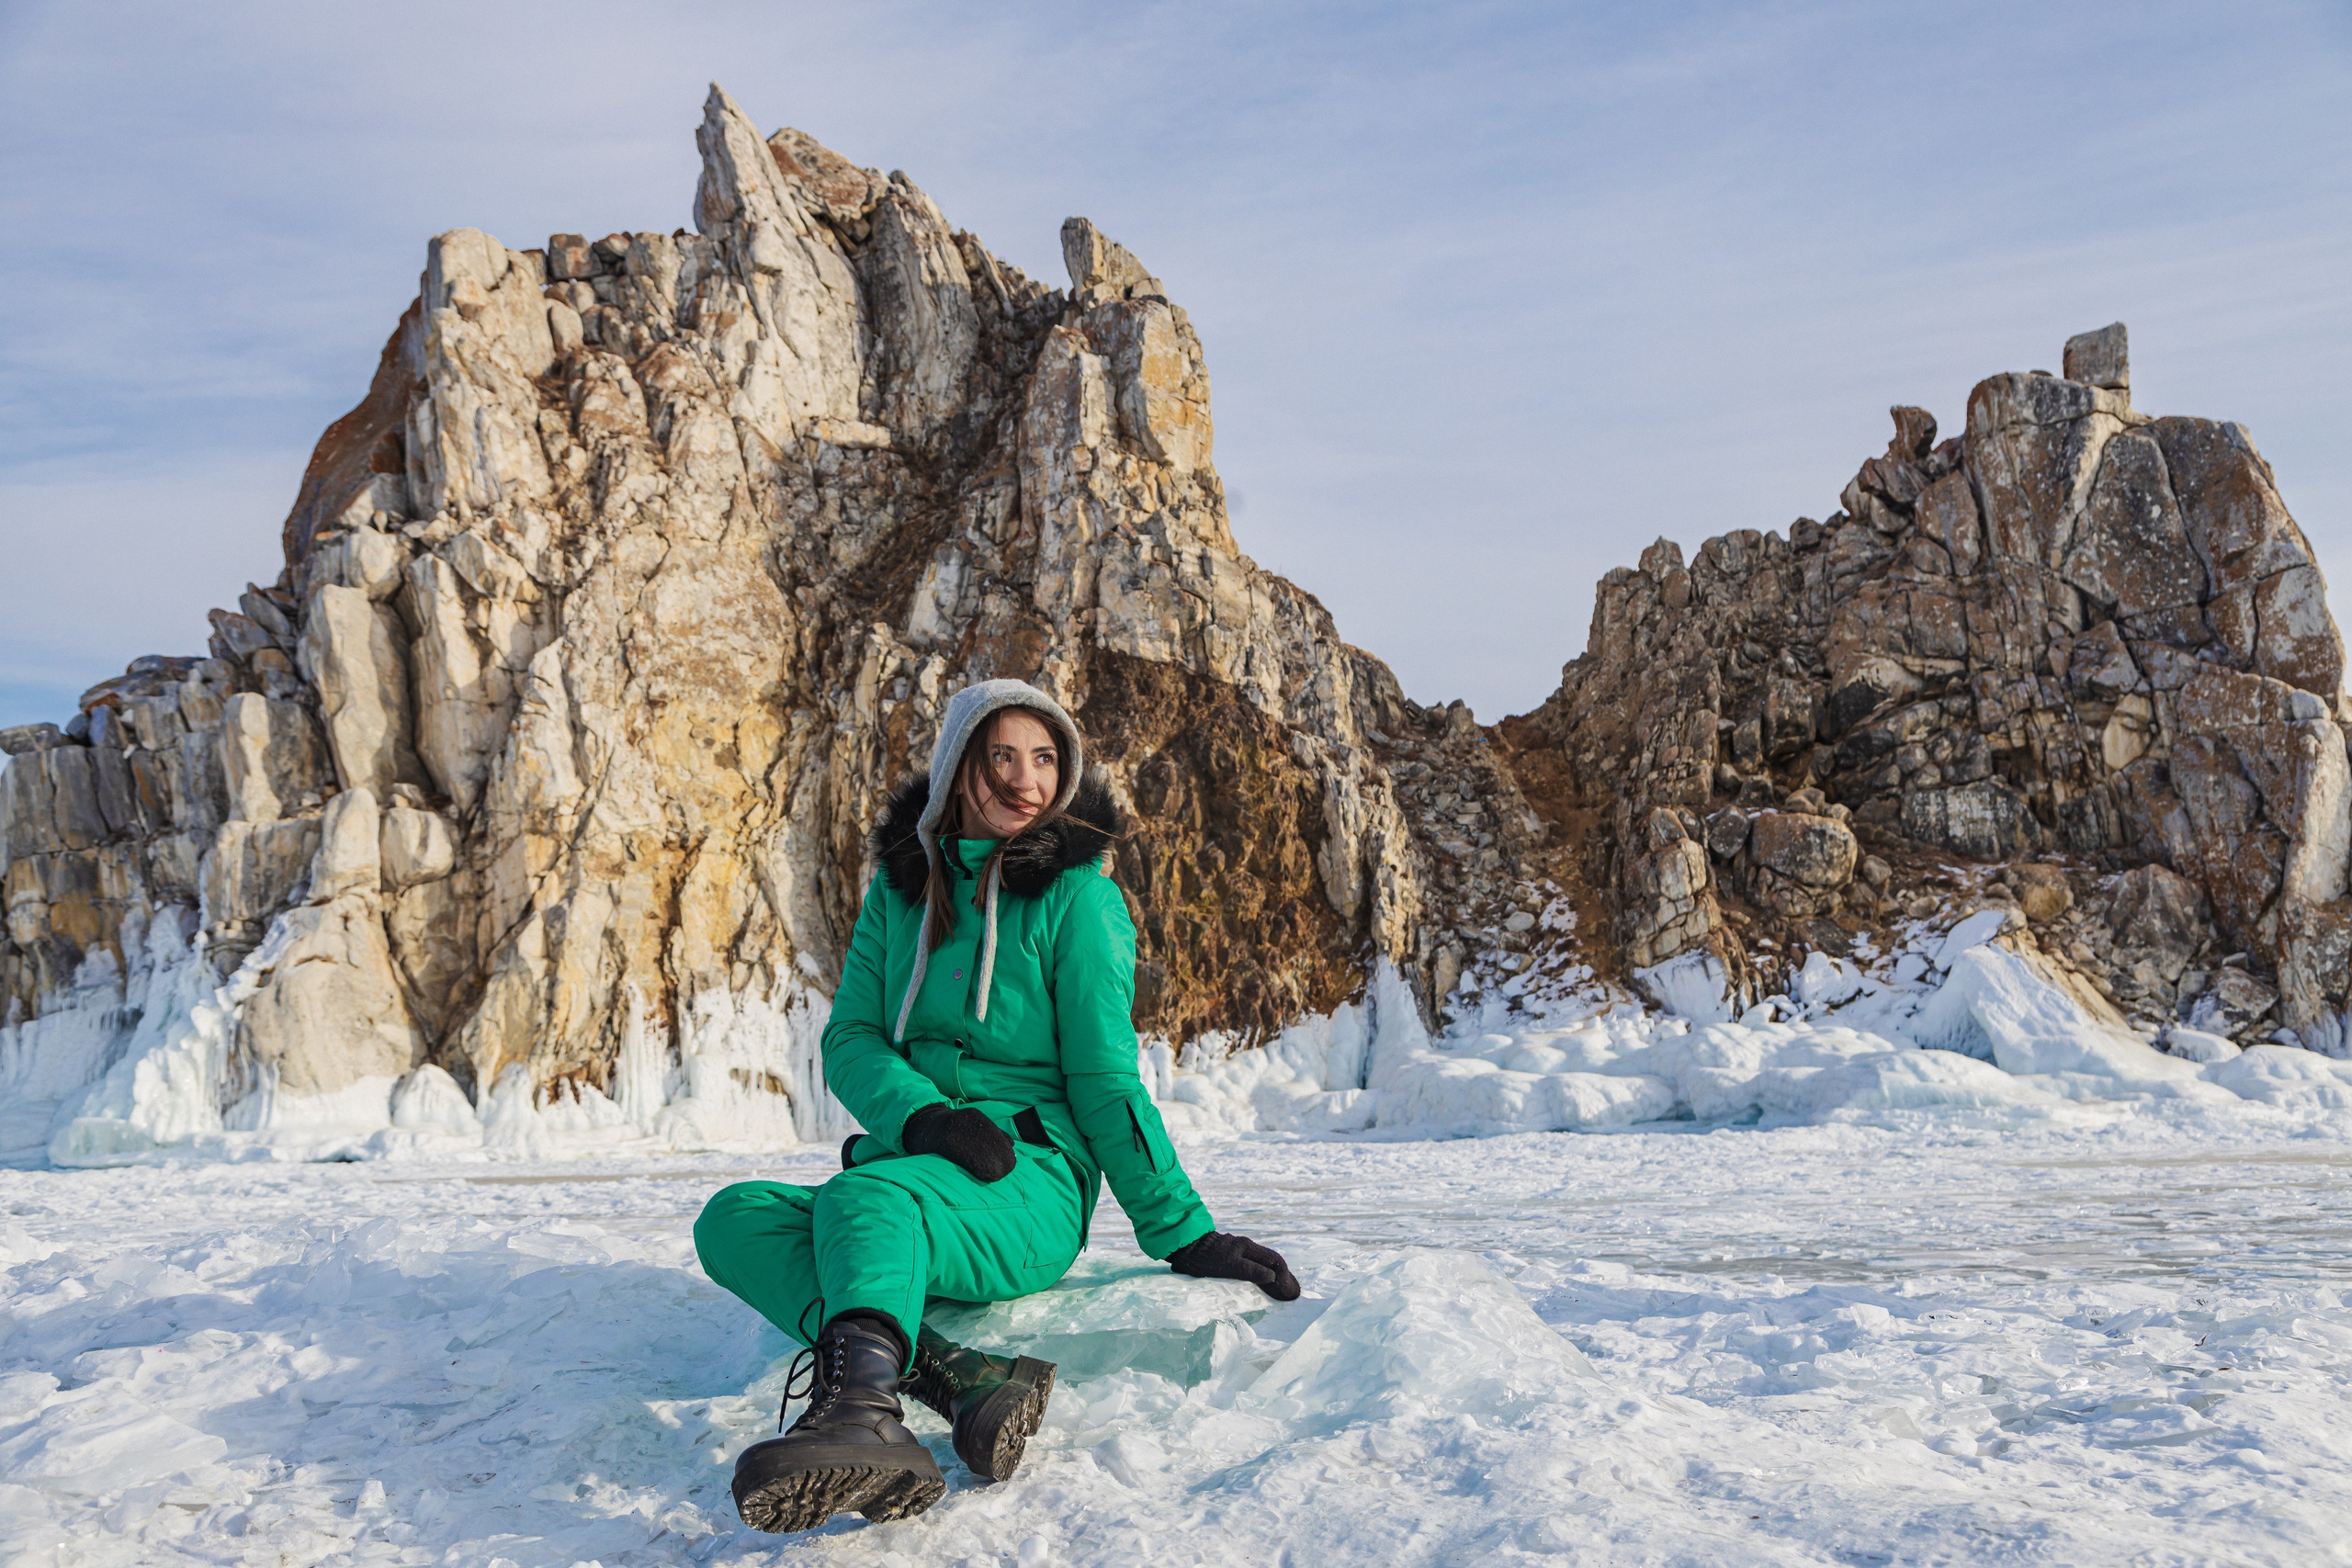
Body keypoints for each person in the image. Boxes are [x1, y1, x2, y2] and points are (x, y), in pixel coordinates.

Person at [693, 678, 1300, 1534]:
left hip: (1031, 1180)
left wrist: (1185, 1231)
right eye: (1003, 756)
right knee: (733, 1218)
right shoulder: (902, 892)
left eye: (1046, 758)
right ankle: (960, 1378)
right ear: (957, 767)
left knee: (864, 1198)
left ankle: (862, 1414)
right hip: (925, 1159)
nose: (1027, 780)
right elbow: (852, 1038)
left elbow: (1105, 1080)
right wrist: (923, 1117)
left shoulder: (1079, 899)